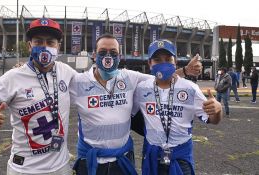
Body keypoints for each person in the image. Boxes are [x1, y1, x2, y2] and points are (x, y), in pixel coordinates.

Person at [70, 33, 203, 175]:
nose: (108, 56)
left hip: (122, 160)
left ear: (120, 57)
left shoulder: (130, 77)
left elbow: (160, 77)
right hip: (90, 162)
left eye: (114, 53)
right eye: (103, 52)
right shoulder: (78, 81)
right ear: (94, 55)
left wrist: (185, 71)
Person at [0, 18, 77, 175]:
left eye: (50, 42)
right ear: (30, 45)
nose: (44, 47)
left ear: (58, 47)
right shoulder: (12, 78)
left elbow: (91, 85)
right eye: (38, 42)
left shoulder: (66, 72)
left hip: (61, 167)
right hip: (24, 169)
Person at [132, 39, 222, 175]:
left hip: (180, 158)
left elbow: (213, 120)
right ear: (150, 64)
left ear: (175, 62)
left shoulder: (190, 89)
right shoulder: (141, 89)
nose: (163, 64)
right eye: (157, 60)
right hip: (152, 156)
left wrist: (218, 109)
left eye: (168, 59)